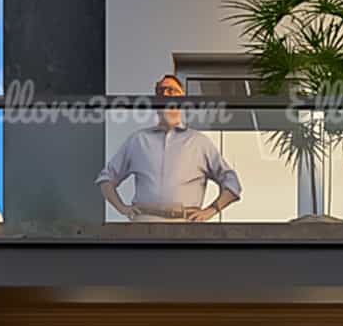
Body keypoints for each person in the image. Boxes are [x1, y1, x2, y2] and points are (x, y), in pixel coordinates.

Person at [98, 74, 242, 222]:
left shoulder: (199, 142)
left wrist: (211, 210)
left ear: (183, 99)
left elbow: (232, 183)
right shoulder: (138, 140)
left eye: (171, 91)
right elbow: (106, 178)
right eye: (161, 91)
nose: (166, 94)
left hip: (184, 227)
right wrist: (122, 208)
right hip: (144, 226)